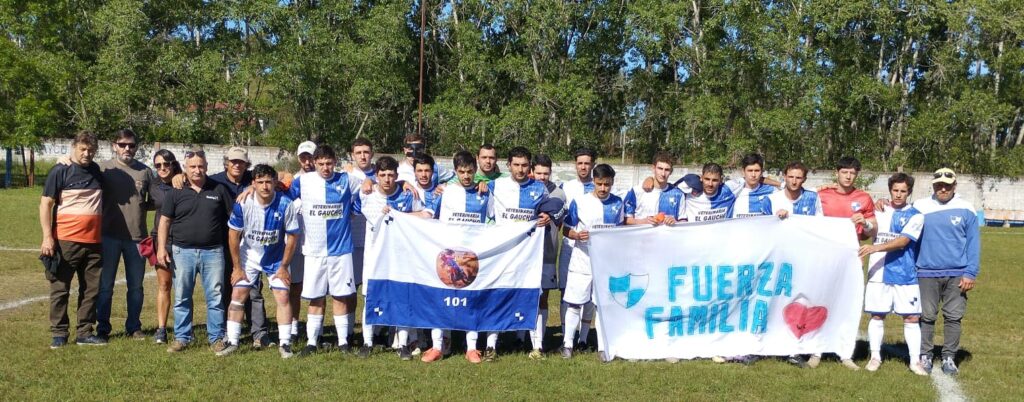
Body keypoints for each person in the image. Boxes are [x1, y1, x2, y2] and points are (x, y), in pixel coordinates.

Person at [289, 145, 367, 356]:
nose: (325, 168)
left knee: (340, 297)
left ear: (335, 162)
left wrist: (354, 209)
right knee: (316, 298)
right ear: (314, 163)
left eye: (329, 163)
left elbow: (368, 186)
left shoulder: (347, 179)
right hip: (314, 251)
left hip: (341, 251)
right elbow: (283, 194)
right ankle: (312, 342)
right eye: (321, 164)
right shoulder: (303, 181)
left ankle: (343, 343)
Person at [157, 148, 234, 354]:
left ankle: (217, 337)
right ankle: (182, 337)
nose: (197, 170)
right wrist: (161, 248)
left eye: (201, 166)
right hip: (183, 252)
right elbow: (164, 221)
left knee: (215, 297)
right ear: (185, 168)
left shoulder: (219, 189)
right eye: (192, 167)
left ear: (207, 167)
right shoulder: (176, 191)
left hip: (213, 252)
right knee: (182, 296)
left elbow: (233, 220)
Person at [421, 151, 496, 363]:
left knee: (471, 301)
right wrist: (397, 216)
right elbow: (427, 215)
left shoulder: (485, 193)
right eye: (462, 172)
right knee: (441, 299)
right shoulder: (444, 191)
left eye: (470, 171)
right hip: (446, 258)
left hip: (472, 259)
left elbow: (496, 220)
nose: (466, 176)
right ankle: (437, 346)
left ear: (475, 171)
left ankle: (472, 348)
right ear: (455, 171)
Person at [354, 156, 429, 361]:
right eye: (382, 175)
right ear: (376, 176)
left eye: (391, 175)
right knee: (370, 297)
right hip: (375, 256)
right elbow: (379, 219)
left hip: (401, 256)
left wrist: (403, 215)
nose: (387, 179)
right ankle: (368, 342)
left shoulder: (407, 194)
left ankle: (402, 344)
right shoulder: (367, 195)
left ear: (397, 176)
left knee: (402, 298)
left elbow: (426, 214)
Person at [222, 164, 301, 358]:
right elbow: (233, 235)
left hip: (275, 259)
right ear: (253, 184)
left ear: (275, 182)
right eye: (260, 182)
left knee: (283, 297)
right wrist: (237, 267)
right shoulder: (243, 203)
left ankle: (285, 344)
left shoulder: (285, 204)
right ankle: (232, 341)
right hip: (249, 257)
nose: (265, 186)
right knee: (238, 294)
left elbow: (292, 237)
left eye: (268, 181)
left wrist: (283, 267)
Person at [39, 131, 107, 348]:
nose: (87, 154)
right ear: (74, 148)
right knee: (60, 288)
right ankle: (59, 333)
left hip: (94, 242)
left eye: (91, 150)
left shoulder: (96, 171)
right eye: (83, 149)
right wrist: (48, 238)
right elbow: (45, 205)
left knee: (91, 289)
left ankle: (85, 332)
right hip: (66, 240)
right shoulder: (60, 170)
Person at [857, 173, 928, 375]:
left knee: (912, 318)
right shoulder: (878, 209)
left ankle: (915, 361)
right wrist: (866, 222)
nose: (898, 195)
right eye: (895, 190)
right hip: (878, 273)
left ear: (909, 192)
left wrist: (875, 248)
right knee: (877, 315)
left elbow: (903, 242)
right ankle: (875, 357)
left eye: (903, 191)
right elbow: (872, 230)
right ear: (890, 190)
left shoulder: (916, 215)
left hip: (905, 273)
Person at [912, 168, 980, 376]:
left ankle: (949, 356)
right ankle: (926, 355)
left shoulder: (967, 209)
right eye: (938, 185)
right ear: (933, 186)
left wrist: (970, 273)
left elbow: (973, 243)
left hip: (957, 274)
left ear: (954, 186)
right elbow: (908, 234)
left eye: (947, 186)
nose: (943, 189)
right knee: (926, 316)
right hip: (926, 272)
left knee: (953, 317)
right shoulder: (919, 207)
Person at [486, 146, 552, 361]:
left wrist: (547, 215)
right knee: (497, 295)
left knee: (533, 296)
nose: (520, 169)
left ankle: (537, 346)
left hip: (529, 254)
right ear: (508, 165)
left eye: (524, 165)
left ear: (530, 166)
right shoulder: (495, 185)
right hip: (502, 253)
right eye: (516, 165)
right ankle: (490, 346)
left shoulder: (539, 188)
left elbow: (553, 208)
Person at [815, 156, 878, 370]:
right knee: (821, 300)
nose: (848, 176)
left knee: (848, 305)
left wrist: (866, 222)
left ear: (856, 175)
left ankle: (845, 353)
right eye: (845, 172)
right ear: (837, 172)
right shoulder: (821, 195)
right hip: (824, 257)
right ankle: (817, 350)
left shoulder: (864, 198)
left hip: (852, 258)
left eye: (852, 173)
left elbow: (873, 231)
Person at [208, 147, 271, 349]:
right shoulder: (214, 180)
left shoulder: (253, 179)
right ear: (226, 162)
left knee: (253, 290)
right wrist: (179, 177)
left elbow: (283, 179)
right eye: (233, 161)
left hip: (248, 245)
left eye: (241, 162)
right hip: (220, 243)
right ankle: (229, 330)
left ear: (247, 164)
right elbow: (193, 181)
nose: (237, 165)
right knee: (225, 287)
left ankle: (259, 332)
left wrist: (253, 187)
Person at [560, 164, 624, 361]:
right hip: (582, 261)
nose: (603, 188)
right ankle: (567, 344)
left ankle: (602, 347)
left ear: (612, 183)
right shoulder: (580, 202)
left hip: (606, 264)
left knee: (603, 305)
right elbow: (566, 229)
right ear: (593, 182)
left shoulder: (618, 203)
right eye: (600, 184)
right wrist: (577, 235)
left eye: (607, 185)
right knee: (574, 303)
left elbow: (622, 232)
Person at [557, 147, 596, 350]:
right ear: (575, 164)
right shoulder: (566, 187)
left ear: (593, 165)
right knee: (567, 292)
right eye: (580, 163)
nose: (583, 167)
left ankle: (583, 338)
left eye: (587, 163)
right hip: (570, 247)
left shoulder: (600, 186)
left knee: (589, 295)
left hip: (590, 251)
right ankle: (566, 336)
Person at [529, 154, 567, 360]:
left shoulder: (559, 193)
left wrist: (548, 215)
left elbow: (558, 222)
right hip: (523, 254)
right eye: (539, 173)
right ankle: (518, 337)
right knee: (523, 295)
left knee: (543, 297)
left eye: (546, 173)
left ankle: (539, 343)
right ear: (532, 171)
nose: (542, 177)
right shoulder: (525, 190)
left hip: (547, 253)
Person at [148, 149, 182, 344]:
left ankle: (183, 328)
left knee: (184, 287)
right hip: (161, 241)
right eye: (158, 165)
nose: (162, 168)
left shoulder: (184, 181)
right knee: (164, 285)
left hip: (183, 239)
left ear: (173, 164)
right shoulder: (152, 184)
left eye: (166, 164)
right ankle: (161, 329)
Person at [283, 140, 316, 341]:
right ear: (299, 158)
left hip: (316, 243)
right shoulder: (292, 182)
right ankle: (294, 327)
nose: (307, 161)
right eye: (303, 157)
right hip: (295, 243)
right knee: (294, 286)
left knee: (315, 288)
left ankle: (315, 329)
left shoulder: (326, 178)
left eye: (310, 156)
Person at [624, 152, 686, 226]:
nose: (663, 174)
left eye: (667, 170)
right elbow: (626, 219)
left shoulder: (678, 194)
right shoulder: (637, 191)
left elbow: (683, 221)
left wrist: (675, 222)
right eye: (660, 168)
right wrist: (644, 222)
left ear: (671, 172)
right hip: (642, 237)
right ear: (653, 168)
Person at [728, 154, 776, 218]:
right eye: (750, 171)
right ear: (743, 171)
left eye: (757, 171)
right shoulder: (732, 190)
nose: (753, 175)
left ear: (761, 172)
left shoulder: (772, 191)